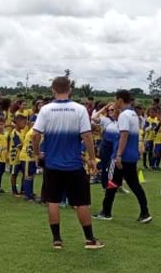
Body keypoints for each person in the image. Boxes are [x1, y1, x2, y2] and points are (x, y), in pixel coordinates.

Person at [31, 76, 104, 250]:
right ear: (70, 89)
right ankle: (90, 240)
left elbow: (35, 134)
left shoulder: (46, 110)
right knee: (81, 202)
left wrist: (36, 153)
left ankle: (57, 240)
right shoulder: (79, 109)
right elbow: (87, 135)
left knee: (53, 201)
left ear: (53, 90)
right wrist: (92, 158)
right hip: (74, 165)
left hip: (52, 164)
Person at [94, 90, 152, 223]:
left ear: (120, 100)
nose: (114, 102)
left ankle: (106, 212)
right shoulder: (133, 114)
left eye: (115, 99)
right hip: (131, 156)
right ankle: (145, 212)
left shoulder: (124, 115)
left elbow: (124, 135)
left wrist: (119, 155)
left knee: (112, 183)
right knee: (132, 184)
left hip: (121, 156)